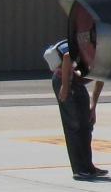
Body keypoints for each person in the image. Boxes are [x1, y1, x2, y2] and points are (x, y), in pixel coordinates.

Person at [44, 39, 106, 180]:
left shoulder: (107, 59)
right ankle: (79, 169)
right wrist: (65, 86)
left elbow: (101, 79)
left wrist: (93, 106)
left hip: (77, 83)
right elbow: (67, 57)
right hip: (63, 79)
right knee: (74, 125)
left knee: (86, 125)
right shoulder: (93, 46)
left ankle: (88, 167)